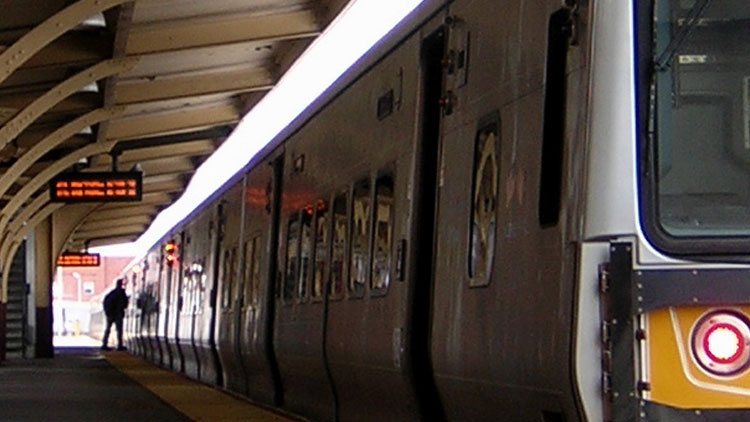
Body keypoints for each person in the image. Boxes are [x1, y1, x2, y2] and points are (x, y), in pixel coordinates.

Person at [101, 278, 129, 351]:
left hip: (110, 314)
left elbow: (105, 303)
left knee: (108, 329)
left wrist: (108, 313)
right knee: (119, 330)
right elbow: (125, 304)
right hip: (118, 314)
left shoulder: (111, 293)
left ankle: (104, 344)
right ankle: (120, 345)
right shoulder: (122, 293)